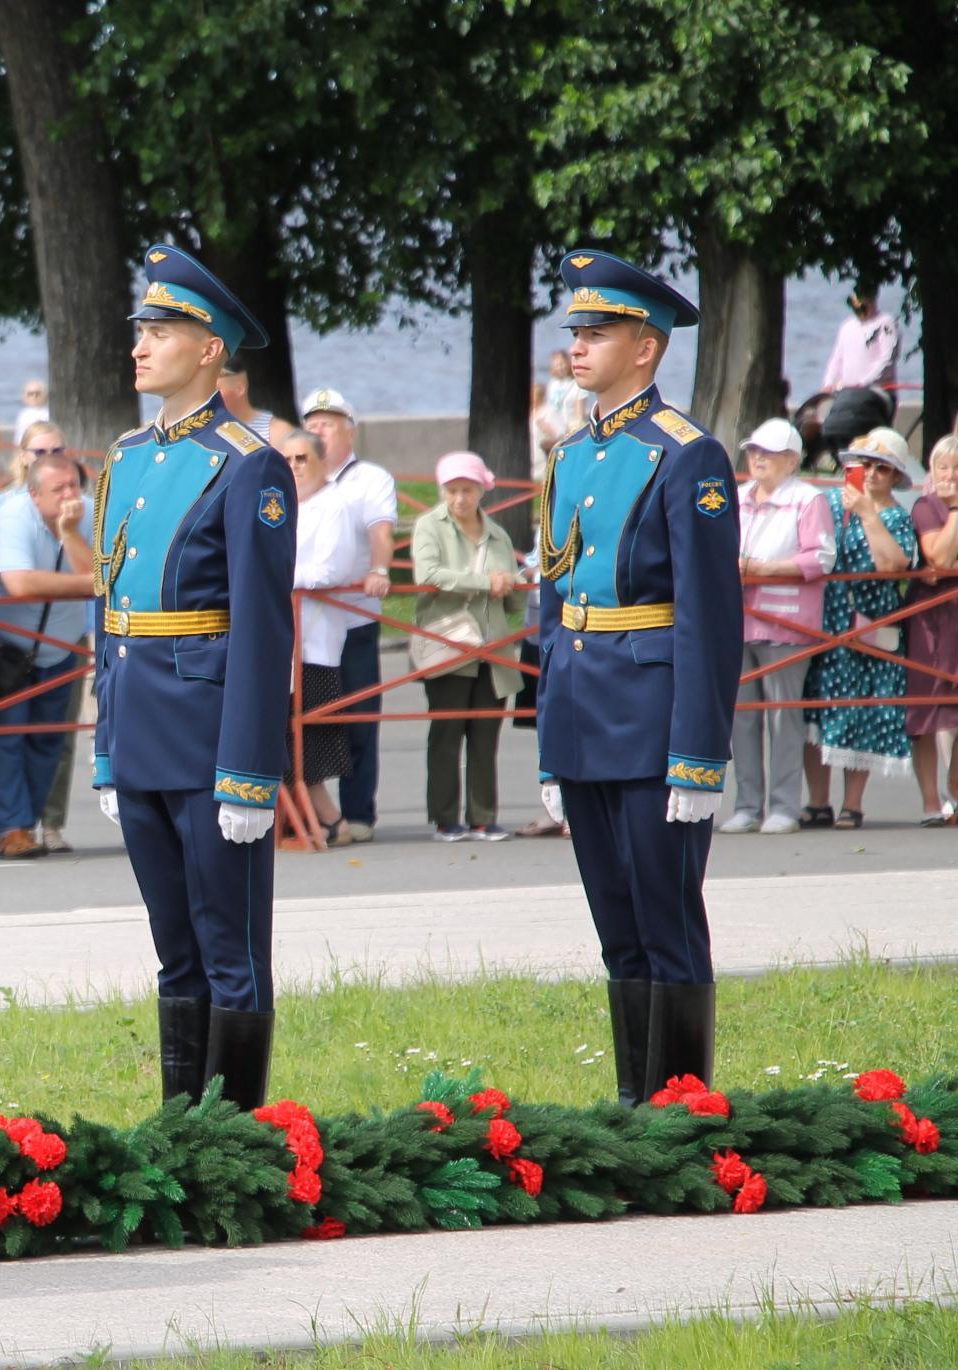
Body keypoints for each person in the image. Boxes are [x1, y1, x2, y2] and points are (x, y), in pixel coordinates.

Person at [537, 249, 741, 1108]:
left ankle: (682, 1107)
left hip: (654, 717)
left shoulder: (686, 455)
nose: (578, 345)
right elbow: (551, 610)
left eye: (597, 331)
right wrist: (550, 746)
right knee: (615, 927)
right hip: (583, 715)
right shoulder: (570, 456)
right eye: (575, 330)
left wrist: (698, 757)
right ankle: (634, 1105)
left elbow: (708, 618)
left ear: (646, 347)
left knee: (666, 924)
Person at [94, 243, 295, 1110]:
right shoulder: (128, 457)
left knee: (230, 949)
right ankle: (184, 1125)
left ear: (210, 347)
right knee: (173, 946)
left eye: (161, 329)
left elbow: (262, 628)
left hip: (211, 733)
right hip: (140, 729)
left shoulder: (249, 462)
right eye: (140, 327)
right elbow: (110, 620)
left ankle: (238, 1136)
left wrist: (250, 772)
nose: (140, 344)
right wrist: (106, 750)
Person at [0, 449, 94, 860]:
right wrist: (86, 584)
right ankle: (12, 830)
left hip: (61, 646)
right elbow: (19, 583)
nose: (69, 495)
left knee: (47, 740)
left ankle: (26, 824)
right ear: (33, 494)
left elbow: (98, 573)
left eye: (74, 486)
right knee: (4, 738)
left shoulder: (88, 513)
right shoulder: (13, 514)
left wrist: (70, 533)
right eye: (57, 488)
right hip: (9, 645)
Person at [801, 428, 920, 829]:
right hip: (827, 624)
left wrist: (869, 514)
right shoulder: (829, 503)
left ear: (894, 477)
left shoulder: (895, 517)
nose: (870, 474)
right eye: (862, 464)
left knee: (865, 714)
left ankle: (853, 804)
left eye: (881, 468)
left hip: (874, 625)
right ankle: (817, 802)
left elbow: (893, 566)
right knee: (817, 714)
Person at [723, 419, 834, 836]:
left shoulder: (808, 499)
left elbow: (820, 558)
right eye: (753, 451)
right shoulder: (737, 497)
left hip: (785, 621)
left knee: (784, 717)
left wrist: (767, 569)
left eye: (767, 453)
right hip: (739, 620)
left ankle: (784, 806)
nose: (757, 459)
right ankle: (748, 805)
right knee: (742, 716)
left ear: (791, 460)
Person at [410, 451, 526, 841]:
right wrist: (485, 583)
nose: (460, 498)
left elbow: (512, 595)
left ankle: (483, 816)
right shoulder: (430, 526)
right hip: (447, 641)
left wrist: (510, 585)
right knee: (446, 734)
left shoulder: (498, 534)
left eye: (467, 490)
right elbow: (428, 573)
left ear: (481, 491)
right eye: (452, 490)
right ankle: (445, 818)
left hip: (492, 644)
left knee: (485, 735)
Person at [300, 386, 397, 843]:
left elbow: (380, 529)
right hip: (307, 623)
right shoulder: (296, 476)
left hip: (353, 614)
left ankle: (359, 813)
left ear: (349, 431)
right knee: (308, 716)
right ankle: (314, 811)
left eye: (328, 423)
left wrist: (378, 568)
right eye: (312, 423)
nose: (318, 430)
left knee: (359, 714)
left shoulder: (369, 479)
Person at [284, 430, 361, 843]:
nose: (295, 468)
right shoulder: (285, 506)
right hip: (281, 638)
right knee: (287, 731)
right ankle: (310, 820)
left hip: (313, 638)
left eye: (302, 459)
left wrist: (275, 578)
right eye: (289, 460)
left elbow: (331, 571)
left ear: (320, 461)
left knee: (306, 734)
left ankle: (331, 821)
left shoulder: (335, 505)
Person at [906, 436, 958, 822]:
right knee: (925, 707)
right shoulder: (926, 506)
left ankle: (956, 783)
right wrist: (957, 510)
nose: (949, 475)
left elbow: (945, 569)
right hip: (933, 617)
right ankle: (931, 802)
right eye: (941, 466)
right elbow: (940, 558)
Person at [820, 286, 902, 396]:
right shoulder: (847, 326)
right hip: (847, 392)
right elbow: (837, 358)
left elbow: (887, 360)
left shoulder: (886, 324)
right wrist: (828, 384)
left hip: (876, 392)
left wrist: (863, 384)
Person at [217, 355, 294, 445]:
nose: (210, 396)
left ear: (239, 389)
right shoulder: (205, 431)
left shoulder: (277, 432)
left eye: (216, 390)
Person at [533, 349, 588, 476]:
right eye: (556, 364)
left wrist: (573, 430)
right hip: (553, 426)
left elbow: (579, 414)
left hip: (568, 428)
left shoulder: (577, 385)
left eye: (562, 364)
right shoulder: (552, 384)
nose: (560, 367)